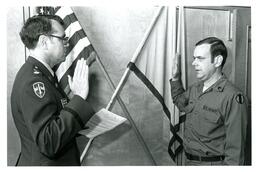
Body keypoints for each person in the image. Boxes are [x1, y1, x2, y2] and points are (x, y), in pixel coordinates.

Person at [11, 14, 95, 166]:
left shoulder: (42, 74)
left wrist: (75, 98)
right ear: (44, 42)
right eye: (62, 38)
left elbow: (54, 118)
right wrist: (79, 99)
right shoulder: (34, 82)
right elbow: (49, 142)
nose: (67, 43)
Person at [170, 37, 248, 165]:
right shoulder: (196, 88)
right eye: (194, 58)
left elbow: (235, 153)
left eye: (200, 58)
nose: (194, 63)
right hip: (188, 162)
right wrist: (175, 78)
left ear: (217, 61)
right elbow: (180, 102)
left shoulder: (233, 97)